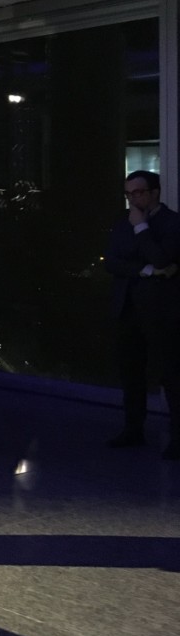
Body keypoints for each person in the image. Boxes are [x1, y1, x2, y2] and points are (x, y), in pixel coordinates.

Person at [104, 170, 180, 459]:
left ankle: (177, 438)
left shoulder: (172, 222)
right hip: (128, 308)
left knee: (170, 375)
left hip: (161, 312)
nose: (132, 200)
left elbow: (162, 257)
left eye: (137, 193)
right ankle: (133, 429)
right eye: (128, 194)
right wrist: (147, 270)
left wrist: (141, 228)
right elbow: (112, 262)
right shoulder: (122, 223)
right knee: (131, 373)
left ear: (154, 192)